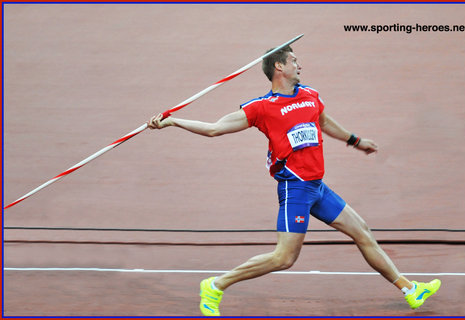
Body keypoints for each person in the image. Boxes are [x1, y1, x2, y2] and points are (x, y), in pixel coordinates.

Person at [148, 45, 441, 316]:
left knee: (362, 231)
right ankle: (215, 285)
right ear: (279, 66)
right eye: (293, 60)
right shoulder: (260, 107)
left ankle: (410, 289)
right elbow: (214, 129)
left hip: (317, 186)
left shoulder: (310, 95)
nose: (299, 64)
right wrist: (174, 121)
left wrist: (355, 140)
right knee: (284, 258)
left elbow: (324, 122)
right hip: (295, 188)